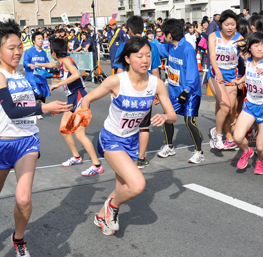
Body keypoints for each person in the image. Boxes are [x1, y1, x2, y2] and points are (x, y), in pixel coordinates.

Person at [0, 19, 71, 256]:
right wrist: (44, 108)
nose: (18, 51)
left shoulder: (20, 74)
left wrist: (46, 106)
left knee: (23, 199)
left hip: (27, 141)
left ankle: (18, 238)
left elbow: (28, 106)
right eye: (11, 47)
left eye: (20, 46)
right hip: (3, 143)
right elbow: (10, 110)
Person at [76, 36, 176, 235]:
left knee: (122, 187)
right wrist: (83, 119)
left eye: (148, 55)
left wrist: (165, 116)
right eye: (139, 56)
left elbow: (173, 115)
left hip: (132, 139)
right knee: (137, 184)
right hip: (111, 138)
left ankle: (101, 216)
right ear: (128, 59)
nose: (145, 60)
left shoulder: (156, 84)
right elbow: (86, 99)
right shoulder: (116, 81)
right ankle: (112, 208)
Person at [49, 38, 104, 175]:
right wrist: (36, 64)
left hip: (80, 98)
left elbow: (75, 75)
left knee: (80, 134)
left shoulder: (67, 61)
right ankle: (77, 157)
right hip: (71, 99)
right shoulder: (61, 63)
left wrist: (57, 84)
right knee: (64, 129)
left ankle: (96, 165)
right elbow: (52, 65)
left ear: (54, 52)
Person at [114, 16, 161, 169]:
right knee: (144, 126)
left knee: (126, 124)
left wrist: (115, 90)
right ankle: (141, 157)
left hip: (127, 90)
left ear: (130, 30)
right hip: (147, 88)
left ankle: (127, 155)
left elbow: (119, 70)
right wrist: (157, 92)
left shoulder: (124, 46)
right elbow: (155, 70)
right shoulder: (152, 47)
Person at [231, 32, 263, 174]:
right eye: (256, 45)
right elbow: (248, 74)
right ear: (250, 47)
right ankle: (246, 151)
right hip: (250, 104)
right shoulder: (249, 61)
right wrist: (240, 80)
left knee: (260, 147)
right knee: (238, 137)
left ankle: (260, 160)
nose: (260, 48)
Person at [156, 19, 204, 163]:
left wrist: (186, 90)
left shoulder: (187, 49)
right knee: (167, 118)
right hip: (174, 92)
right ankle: (170, 146)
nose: (163, 36)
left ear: (170, 35)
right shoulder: (170, 47)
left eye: (164, 34)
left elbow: (193, 72)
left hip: (190, 93)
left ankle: (199, 152)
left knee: (189, 122)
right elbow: (156, 47)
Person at [208, 10, 243, 150]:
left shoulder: (239, 37)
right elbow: (211, 55)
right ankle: (218, 135)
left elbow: (246, 54)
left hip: (232, 76)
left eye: (233, 24)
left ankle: (217, 129)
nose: (230, 27)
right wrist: (217, 72)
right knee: (225, 106)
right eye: (226, 24)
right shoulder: (213, 36)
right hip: (216, 74)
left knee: (230, 109)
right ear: (221, 24)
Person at [23, 32, 51, 107]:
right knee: (38, 94)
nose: (41, 40)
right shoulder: (29, 51)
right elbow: (25, 62)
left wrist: (52, 67)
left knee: (43, 94)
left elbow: (47, 62)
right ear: (34, 41)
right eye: (38, 39)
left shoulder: (44, 53)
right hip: (32, 77)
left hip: (41, 77)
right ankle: (36, 111)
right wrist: (29, 65)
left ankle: (41, 109)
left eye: (42, 39)